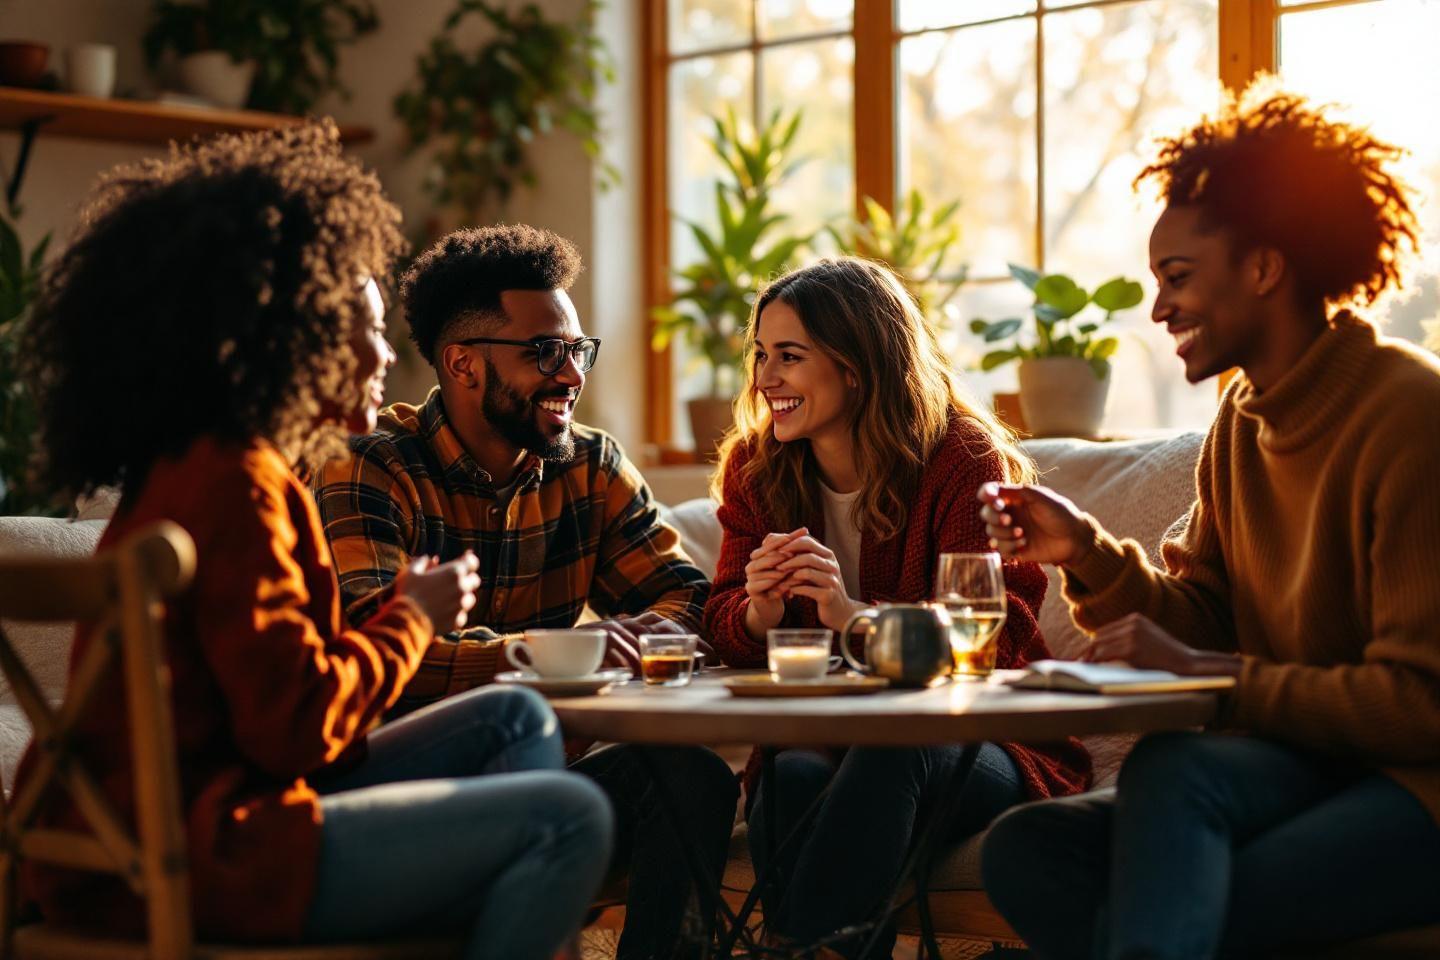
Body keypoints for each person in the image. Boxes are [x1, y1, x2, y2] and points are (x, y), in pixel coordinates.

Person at [11, 123, 612, 959]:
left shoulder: (203, 466)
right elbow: (297, 730)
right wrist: (411, 616)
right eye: (361, 330)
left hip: (162, 833)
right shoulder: (239, 489)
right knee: (569, 817)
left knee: (512, 717)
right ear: (290, 339)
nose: (382, 354)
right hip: (203, 856)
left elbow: (274, 694)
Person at [978, 85, 1440, 959]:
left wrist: (1215, 675)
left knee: (1191, 824)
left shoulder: (1410, 417)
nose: (1159, 311)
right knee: (1033, 847)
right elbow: (1204, 615)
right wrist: (1085, 550)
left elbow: (1420, 705)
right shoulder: (1242, 422)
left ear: (1264, 267)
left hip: (1418, 784)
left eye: (1178, 279)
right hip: (1303, 764)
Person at [312, 224, 738, 960]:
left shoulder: (592, 466)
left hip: (545, 766)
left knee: (690, 778)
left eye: (577, 351)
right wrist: (547, 660)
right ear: (463, 364)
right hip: (396, 788)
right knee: (520, 724)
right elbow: (373, 644)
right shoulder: (371, 467)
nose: (571, 374)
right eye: (545, 352)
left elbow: (687, 599)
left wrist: (638, 645)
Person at [702, 257, 1092, 957]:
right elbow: (725, 624)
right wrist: (758, 610)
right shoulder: (755, 470)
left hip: (978, 744)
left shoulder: (962, 459)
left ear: (857, 365)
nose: (765, 379)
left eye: (789, 356)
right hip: (824, 739)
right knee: (789, 776)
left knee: (893, 752)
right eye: (761, 355)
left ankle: (795, 949)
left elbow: (991, 643)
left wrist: (852, 617)